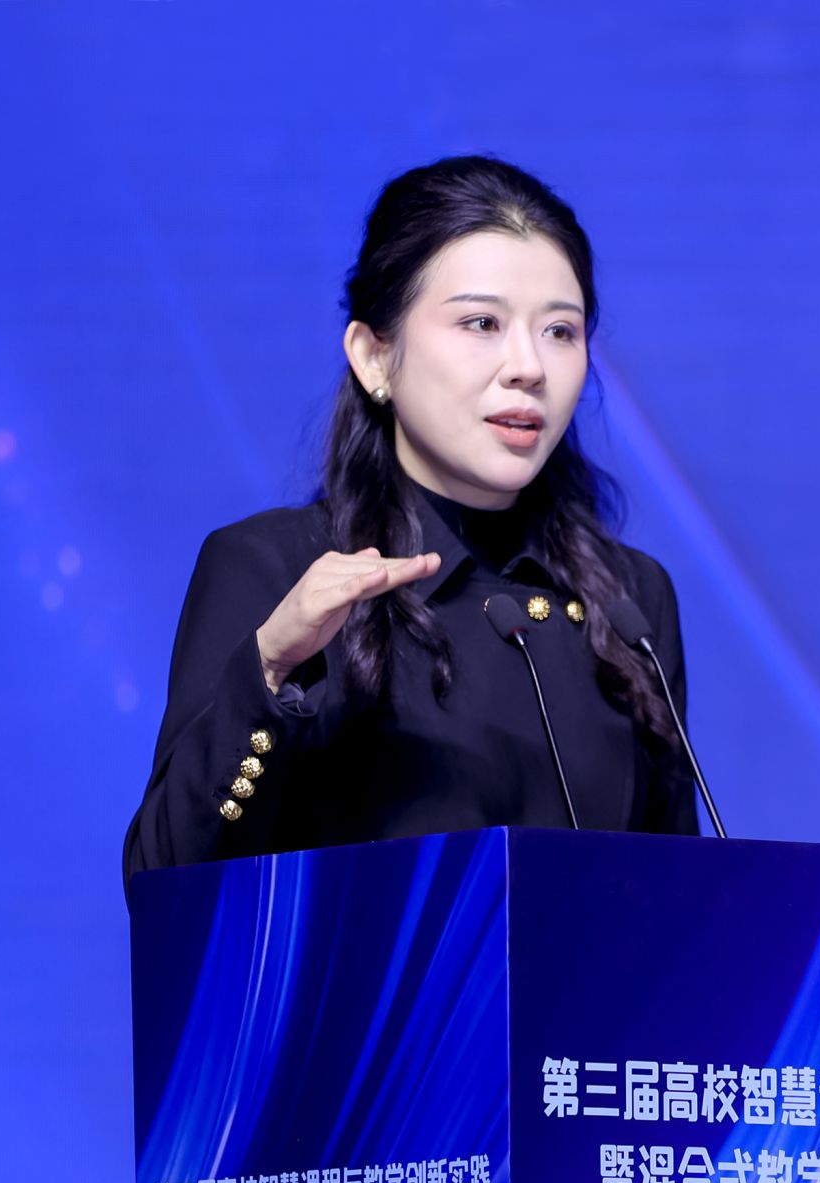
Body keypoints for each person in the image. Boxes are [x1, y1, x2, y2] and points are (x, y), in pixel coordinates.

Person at [123, 155, 697, 887]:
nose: (528, 366)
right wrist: (268, 671)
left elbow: (679, 905)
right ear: (374, 357)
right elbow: (163, 884)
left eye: (560, 330)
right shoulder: (274, 569)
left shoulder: (630, 600)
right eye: (482, 323)